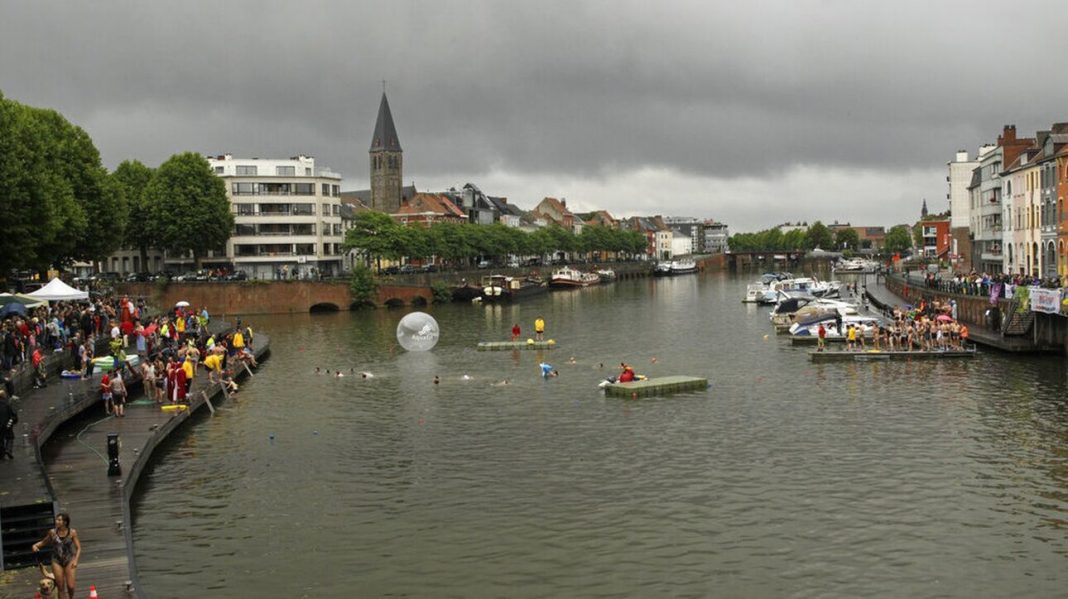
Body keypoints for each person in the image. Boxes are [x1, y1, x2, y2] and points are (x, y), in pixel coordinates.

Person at [32, 513, 81, 599]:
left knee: (71, 586)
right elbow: (43, 542)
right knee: (60, 587)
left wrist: (76, 560)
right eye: (56, 519)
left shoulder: (72, 532)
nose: (56, 521)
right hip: (56, 561)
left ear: (65, 522)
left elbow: (78, 548)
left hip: (69, 560)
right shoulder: (52, 532)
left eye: (59, 520)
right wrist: (35, 546)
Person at [0, 390, 17, 459]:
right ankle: (8, 449)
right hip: (7, 424)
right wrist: (13, 421)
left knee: (0, 439)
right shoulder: (8, 404)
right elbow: (14, 415)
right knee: (10, 437)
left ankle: (1, 454)